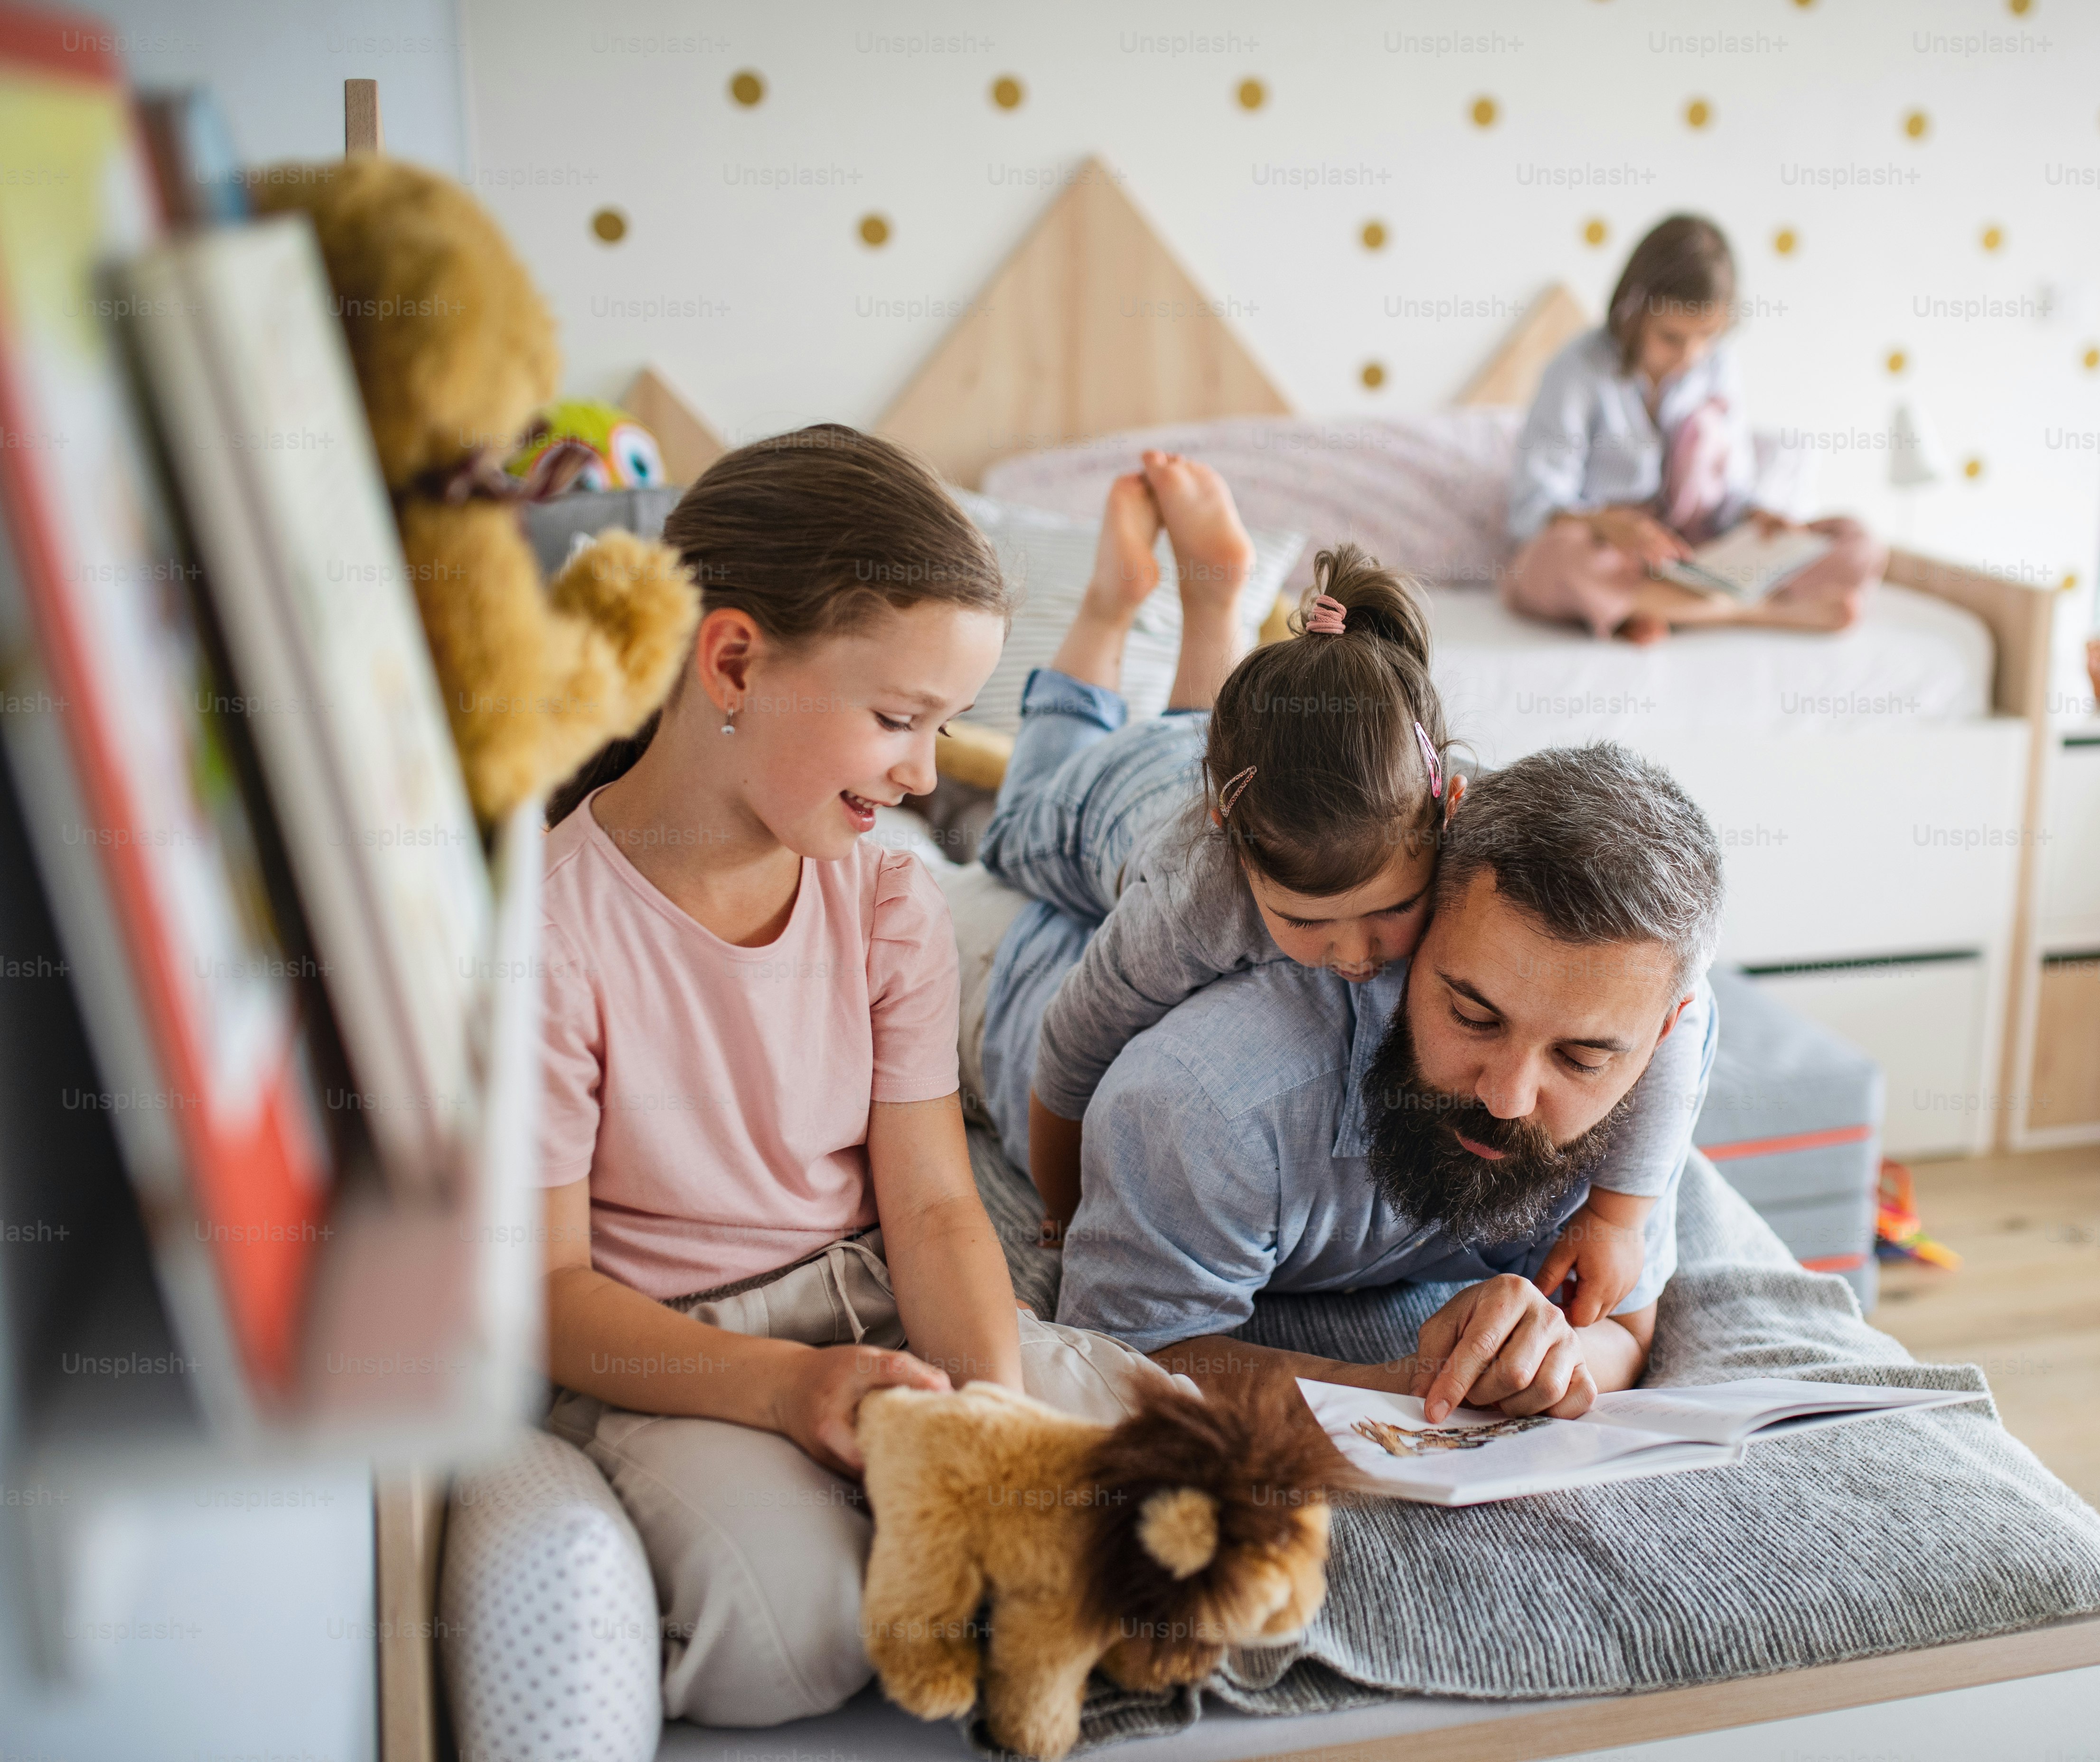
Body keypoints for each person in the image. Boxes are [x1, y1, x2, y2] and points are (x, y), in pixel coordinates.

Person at [530, 427, 1179, 1726]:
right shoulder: (548, 931)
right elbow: (549, 1297)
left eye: (943, 727)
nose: (926, 773)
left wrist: (987, 1421)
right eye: (896, 719)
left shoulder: (888, 894)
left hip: (877, 1308)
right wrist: (786, 1393)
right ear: (731, 660)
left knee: (1168, 1484)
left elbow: (936, 1206)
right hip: (683, 1360)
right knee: (800, 1637)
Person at [975, 451, 1710, 1327]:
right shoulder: (1192, 901)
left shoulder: (1462, 829)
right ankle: (1114, 601)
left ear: (1451, 808)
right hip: (1116, 805)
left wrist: (1617, 1215)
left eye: (1392, 910)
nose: (1357, 956)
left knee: (1217, 734)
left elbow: (1675, 1000)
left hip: (1268, 776)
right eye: (1307, 922)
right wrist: (1060, 1212)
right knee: (1022, 807)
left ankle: (1214, 599)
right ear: (1230, 838)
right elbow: (1071, 1051)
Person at [979, 739, 1724, 1424]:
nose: (1508, 1099)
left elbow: (1624, 1328)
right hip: (1015, 950)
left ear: (1661, 1032)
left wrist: (1545, 1359)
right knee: (1016, 819)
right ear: (1422, 924)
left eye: (1581, 1061)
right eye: (1472, 1016)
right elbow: (1122, 1359)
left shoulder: (1639, 1051)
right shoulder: (1209, 1101)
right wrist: (1401, 1387)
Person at [1504, 212, 1886, 643]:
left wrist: (1758, 515)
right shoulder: (1576, 371)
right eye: (1671, 337)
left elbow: (1731, 491)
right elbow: (1532, 510)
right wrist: (1609, 524)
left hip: (1699, 557)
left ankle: (1656, 611)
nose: (1691, 355)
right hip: (1615, 554)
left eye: (1707, 335)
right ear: (1633, 312)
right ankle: (1755, 613)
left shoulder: (1718, 366)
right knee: (1550, 561)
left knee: (1859, 543)